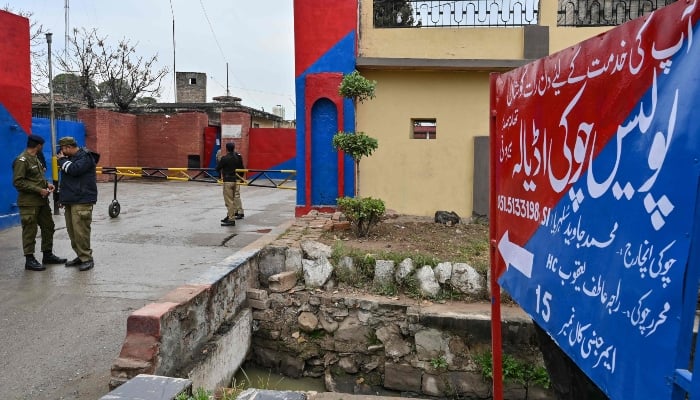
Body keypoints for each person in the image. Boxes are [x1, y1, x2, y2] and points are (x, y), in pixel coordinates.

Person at [12, 134, 67, 271]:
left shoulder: (35, 158)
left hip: (41, 202)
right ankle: (29, 260)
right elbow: (18, 182)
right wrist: (38, 190)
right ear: (38, 146)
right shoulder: (22, 160)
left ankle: (47, 255)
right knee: (30, 230)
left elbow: (34, 178)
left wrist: (47, 185)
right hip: (29, 203)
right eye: (42, 145)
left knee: (48, 226)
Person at [56, 136, 98, 271]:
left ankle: (87, 258)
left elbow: (74, 170)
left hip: (82, 200)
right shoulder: (71, 159)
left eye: (62, 149)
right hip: (71, 200)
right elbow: (68, 181)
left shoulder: (85, 157)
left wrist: (62, 160)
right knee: (72, 231)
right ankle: (80, 256)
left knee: (81, 231)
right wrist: (63, 199)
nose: (60, 152)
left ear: (68, 147)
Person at [215, 142, 245, 226]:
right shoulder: (237, 157)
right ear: (234, 148)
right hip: (235, 180)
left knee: (229, 201)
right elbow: (241, 167)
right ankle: (230, 215)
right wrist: (241, 178)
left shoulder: (225, 158)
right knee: (235, 197)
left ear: (226, 149)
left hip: (228, 181)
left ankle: (231, 219)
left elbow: (218, 168)